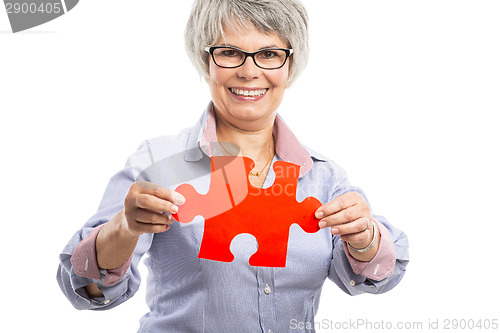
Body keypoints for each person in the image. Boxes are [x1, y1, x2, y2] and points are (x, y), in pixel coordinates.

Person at [57, 0, 409, 331]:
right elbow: (85, 286)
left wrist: (365, 240)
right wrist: (124, 229)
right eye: (229, 53)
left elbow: (377, 277)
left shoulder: (324, 177)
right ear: (205, 60)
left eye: (269, 54)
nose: (248, 71)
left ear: (290, 64)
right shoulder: (160, 162)